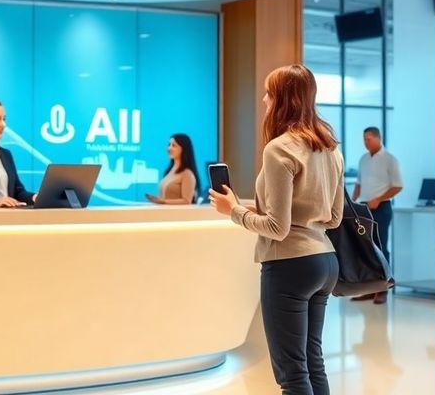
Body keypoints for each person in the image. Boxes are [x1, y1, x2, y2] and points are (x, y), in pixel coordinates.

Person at [209, 64, 344, 395]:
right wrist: (259, 209)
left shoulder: (279, 148)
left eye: (269, 93)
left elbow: (277, 229)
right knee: (313, 363)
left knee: (292, 373)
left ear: (283, 99)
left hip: (289, 266)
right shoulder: (330, 148)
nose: (265, 100)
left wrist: (234, 211)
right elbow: (333, 218)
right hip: (325, 262)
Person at [351, 126, 402, 305]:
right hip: (363, 209)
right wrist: (352, 201)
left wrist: (379, 199)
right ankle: (368, 289)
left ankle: (382, 290)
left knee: (380, 248)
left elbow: (398, 186)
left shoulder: (390, 159)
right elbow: (358, 183)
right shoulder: (363, 159)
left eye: (369, 139)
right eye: (364, 139)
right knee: (365, 249)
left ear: (378, 138)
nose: (366, 142)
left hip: (381, 208)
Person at [146, 133, 200, 205]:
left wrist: (162, 201)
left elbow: (187, 201)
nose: (169, 148)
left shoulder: (187, 174)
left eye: (174, 145)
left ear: (183, 149)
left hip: (177, 215)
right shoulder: (168, 171)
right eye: (169, 145)